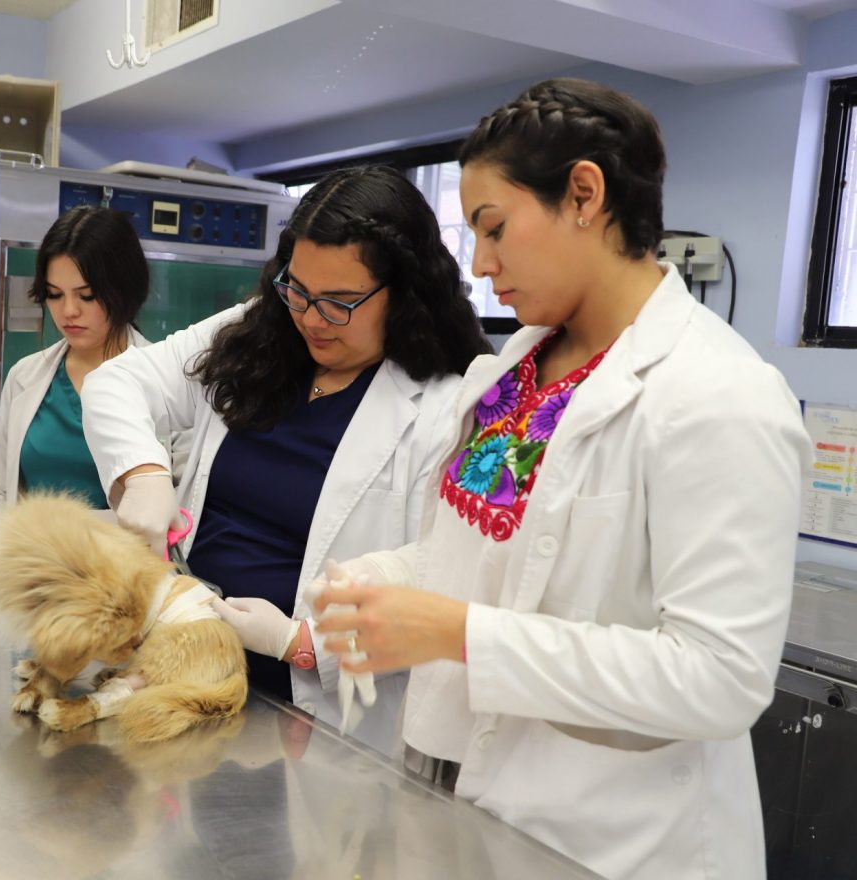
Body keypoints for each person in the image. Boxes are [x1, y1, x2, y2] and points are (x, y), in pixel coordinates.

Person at [311, 79, 809, 880]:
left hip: (609, 841)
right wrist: (381, 580)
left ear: (584, 194)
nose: (480, 264)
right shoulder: (513, 368)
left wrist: (456, 633)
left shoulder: (720, 396)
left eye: (494, 227)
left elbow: (719, 678)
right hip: (457, 799)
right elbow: (480, 559)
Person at [81, 165, 491, 756]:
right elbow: (116, 382)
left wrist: (300, 642)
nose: (311, 319)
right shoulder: (255, 333)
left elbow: (447, 569)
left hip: (317, 713)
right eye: (297, 290)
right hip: (187, 666)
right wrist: (143, 475)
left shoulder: (448, 406)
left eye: (340, 303)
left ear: (405, 293)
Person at [0, 206, 155, 548]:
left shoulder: (164, 381)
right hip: (37, 571)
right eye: (54, 294)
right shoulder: (25, 376)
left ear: (124, 289)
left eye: (87, 296)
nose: (68, 311)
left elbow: (185, 504)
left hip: (126, 572)